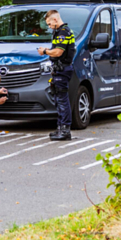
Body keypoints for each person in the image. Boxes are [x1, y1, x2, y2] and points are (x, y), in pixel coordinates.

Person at [38, 9, 76, 141]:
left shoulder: (63, 32)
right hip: (60, 69)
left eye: (49, 24)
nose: (49, 27)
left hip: (63, 69)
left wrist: (45, 51)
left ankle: (65, 129)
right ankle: (61, 128)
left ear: (55, 20)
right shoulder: (61, 32)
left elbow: (58, 52)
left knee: (62, 99)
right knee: (58, 99)